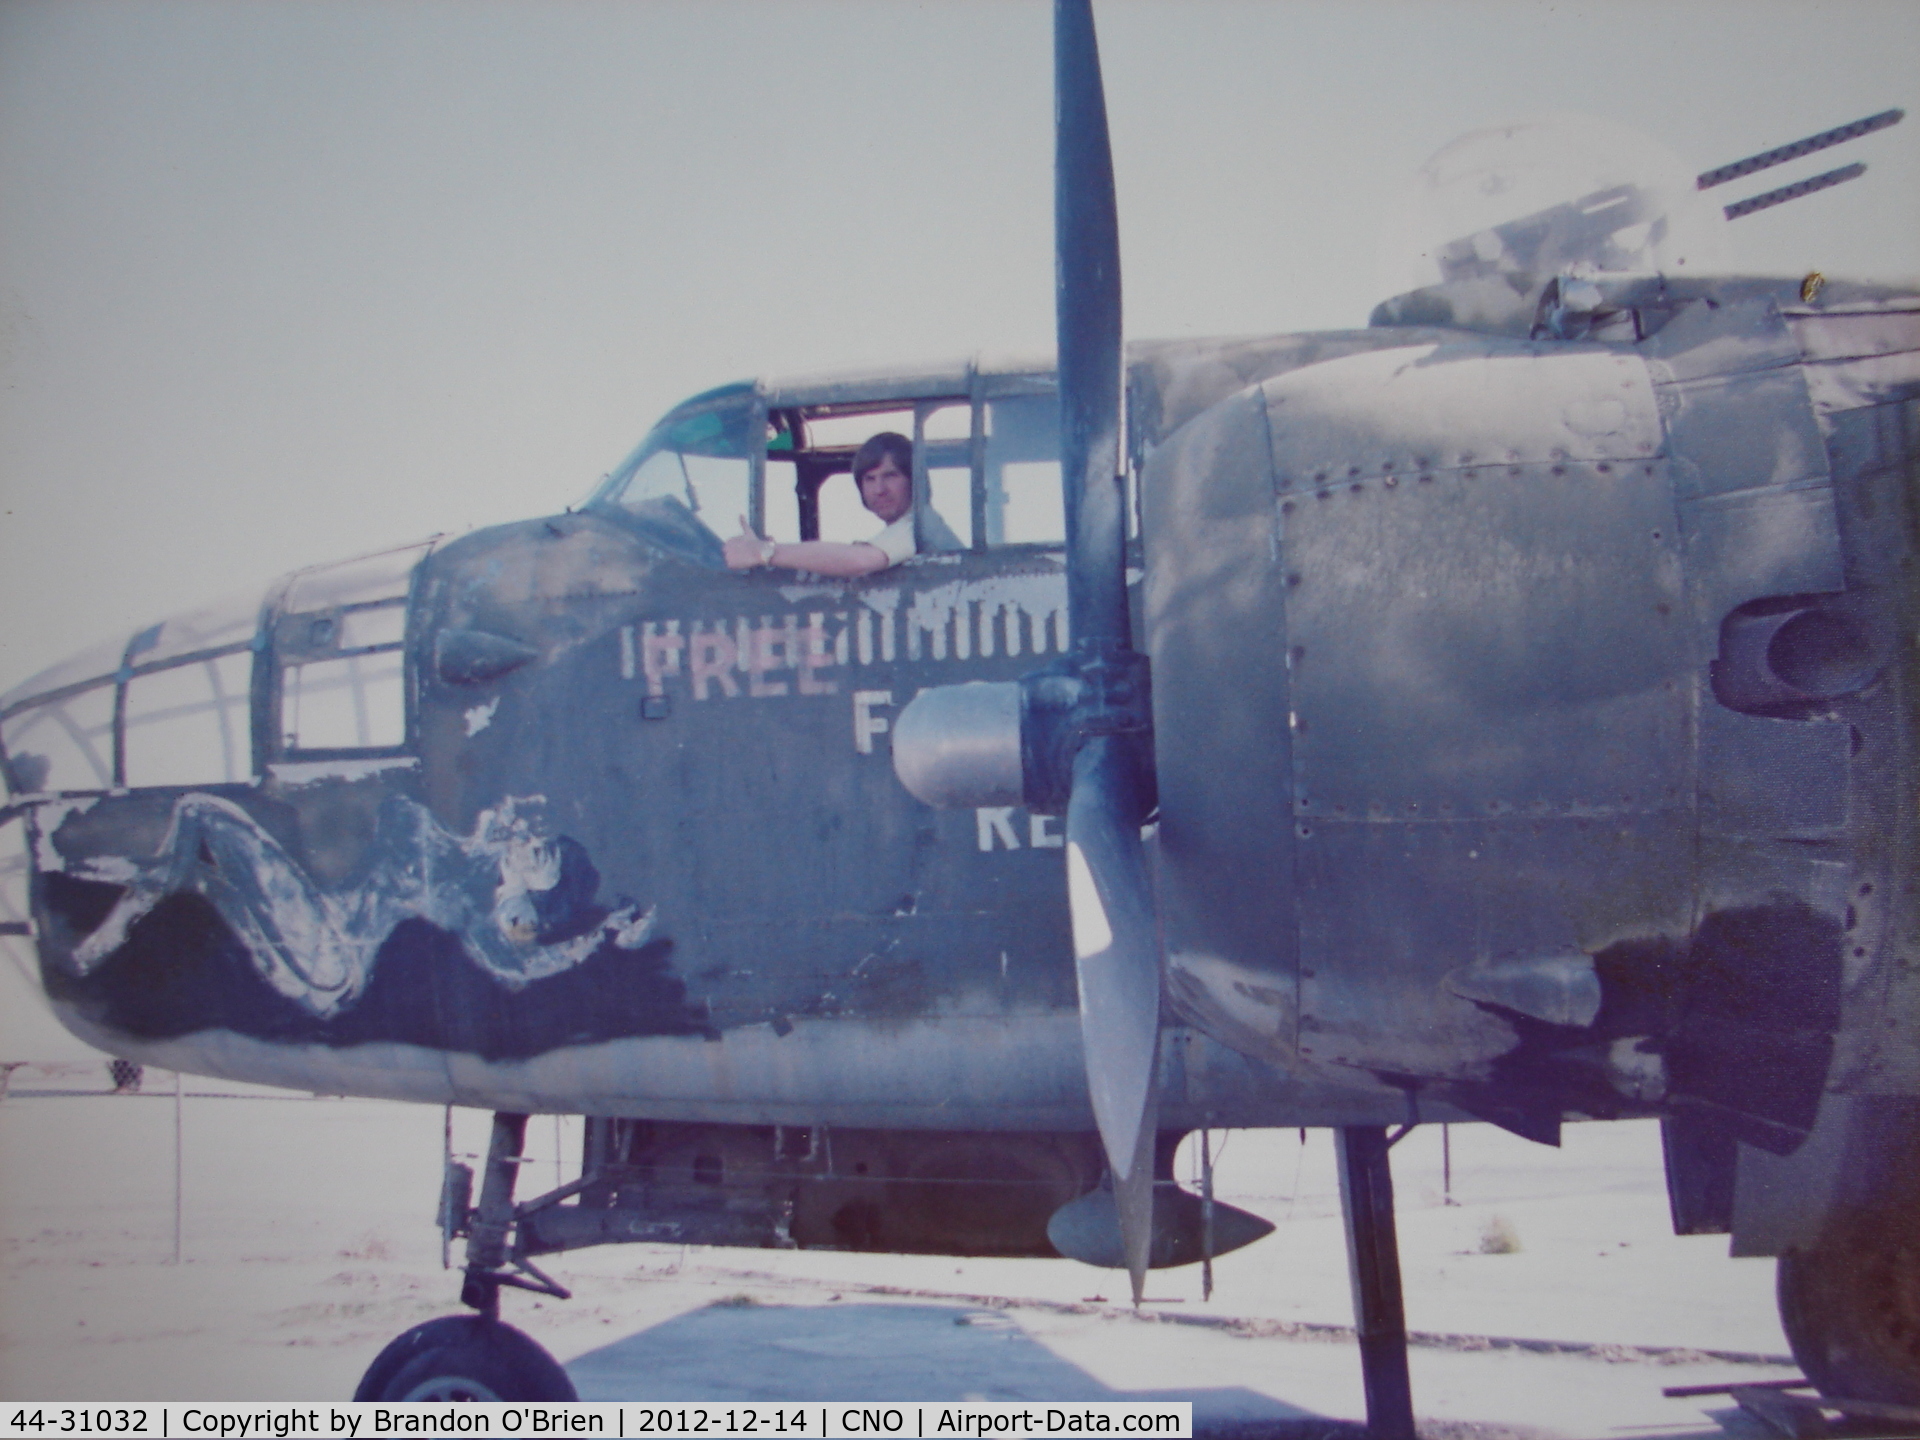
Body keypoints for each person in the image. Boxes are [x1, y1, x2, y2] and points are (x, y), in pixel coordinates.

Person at [724, 432, 961, 577]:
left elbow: (860, 561)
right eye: (869, 479)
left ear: (914, 480)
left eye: (890, 476)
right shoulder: (908, 526)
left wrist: (765, 553)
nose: (879, 489)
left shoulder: (917, 524)